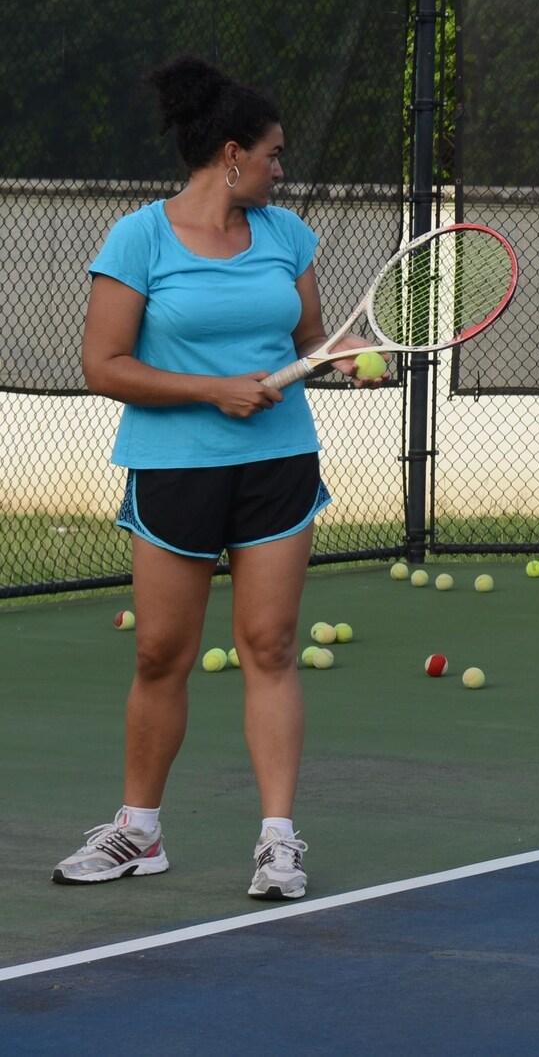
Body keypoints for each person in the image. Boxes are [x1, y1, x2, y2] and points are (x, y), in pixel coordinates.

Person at [54, 56, 381, 901]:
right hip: (174, 470)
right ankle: (138, 831)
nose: (283, 167)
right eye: (274, 154)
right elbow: (103, 363)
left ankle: (277, 842)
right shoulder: (139, 238)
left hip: (277, 465)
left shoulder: (286, 235)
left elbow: (311, 344)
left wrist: (339, 364)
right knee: (163, 652)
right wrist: (211, 388)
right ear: (231, 153)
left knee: (270, 645)